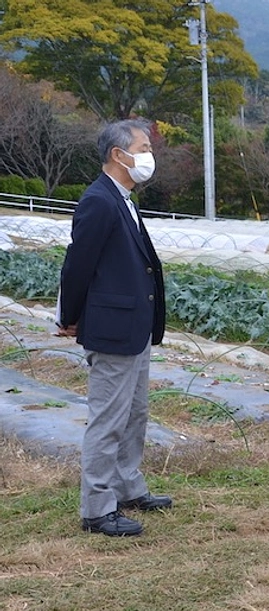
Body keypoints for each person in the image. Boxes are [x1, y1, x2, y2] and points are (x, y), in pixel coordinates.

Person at [57, 118, 171, 537]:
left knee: (135, 414)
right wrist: (69, 316)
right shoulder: (99, 201)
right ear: (118, 155)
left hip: (135, 327)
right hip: (112, 328)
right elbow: (78, 265)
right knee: (108, 419)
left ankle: (127, 487)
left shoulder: (124, 198)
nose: (149, 156)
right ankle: (97, 508)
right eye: (143, 147)